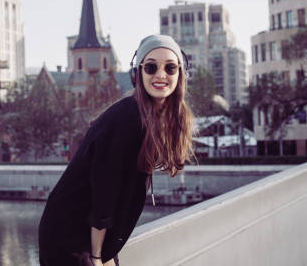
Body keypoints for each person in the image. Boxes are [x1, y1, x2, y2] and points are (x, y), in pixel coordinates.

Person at [38, 34, 195, 266]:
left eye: (170, 68)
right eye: (151, 67)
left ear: (180, 74)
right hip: (70, 238)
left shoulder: (150, 115)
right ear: (138, 74)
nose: (161, 75)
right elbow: (105, 192)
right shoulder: (129, 118)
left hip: (92, 236)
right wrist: (98, 256)